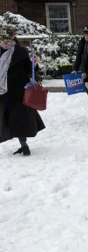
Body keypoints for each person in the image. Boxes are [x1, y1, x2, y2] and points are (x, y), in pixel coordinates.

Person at [0, 27, 45, 156]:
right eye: (3, 40)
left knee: (19, 118)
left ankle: (23, 144)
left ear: (13, 38)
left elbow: (30, 70)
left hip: (17, 91)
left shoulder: (20, 52)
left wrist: (35, 64)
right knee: (3, 117)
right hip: (1, 92)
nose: (5, 42)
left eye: (8, 40)